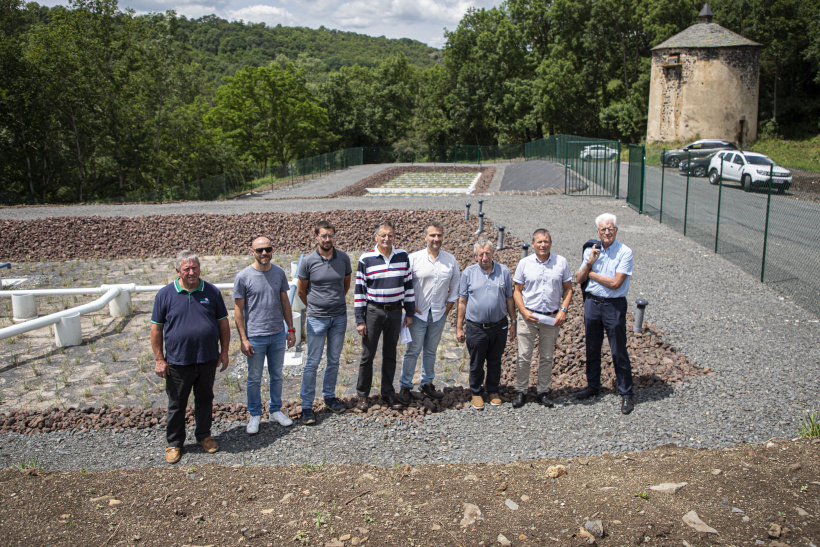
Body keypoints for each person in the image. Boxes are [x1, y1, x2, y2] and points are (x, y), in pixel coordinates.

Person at [150, 250, 230, 464]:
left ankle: (204, 435)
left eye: (195, 268)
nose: (191, 272)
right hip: (178, 361)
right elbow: (156, 329)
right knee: (177, 403)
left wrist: (224, 352)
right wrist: (159, 359)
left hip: (207, 359)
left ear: (200, 268)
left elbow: (223, 322)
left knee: (205, 399)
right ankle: (175, 443)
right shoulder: (165, 294)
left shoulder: (211, 292)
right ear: (178, 271)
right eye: (187, 268)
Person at [234, 236, 296, 435]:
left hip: (277, 334)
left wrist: (291, 329)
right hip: (255, 337)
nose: (264, 253)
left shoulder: (278, 272)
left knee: (276, 375)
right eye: (259, 250)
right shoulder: (243, 277)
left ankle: (275, 410)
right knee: (254, 377)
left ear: (272, 250)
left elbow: (285, 302)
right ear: (252, 252)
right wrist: (243, 338)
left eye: (267, 249)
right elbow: (238, 310)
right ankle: (254, 414)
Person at [575, 213, 635, 415]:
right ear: (597, 232)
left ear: (616, 230)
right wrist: (590, 262)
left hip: (613, 305)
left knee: (618, 349)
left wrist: (591, 274)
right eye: (603, 229)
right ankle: (593, 386)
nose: (607, 232)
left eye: (610, 228)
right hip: (593, 303)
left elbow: (616, 283)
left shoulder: (625, 252)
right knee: (592, 346)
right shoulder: (591, 250)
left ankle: (626, 393)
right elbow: (578, 278)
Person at [354, 221, 414, 410]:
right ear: (376, 237)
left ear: (394, 237)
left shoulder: (403, 256)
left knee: (390, 354)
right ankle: (363, 395)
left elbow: (409, 286)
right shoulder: (366, 259)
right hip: (374, 311)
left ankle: (387, 393)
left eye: (390, 235)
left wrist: (409, 312)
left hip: (395, 311)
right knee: (368, 354)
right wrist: (360, 319)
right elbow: (359, 291)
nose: (386, 238)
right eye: (383, 235)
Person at [296, 220, 352, 425]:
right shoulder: (308, 261)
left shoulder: (343, 258)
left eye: (330, 235)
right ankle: (306, 406)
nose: (327, 239)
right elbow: (302, 291)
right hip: (317, 319)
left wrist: (334, 303)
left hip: (339, 317)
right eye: (323, 236)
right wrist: (315, 307)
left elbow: (345, 285)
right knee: (312, 362)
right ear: (316, 237)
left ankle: (329, 396)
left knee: (334, 360)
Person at [398, 221, 461, 403]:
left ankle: (427, 383)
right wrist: (409, 307)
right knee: (413, 350)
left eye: (439, 235)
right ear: (425, 236)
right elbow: (402, 284)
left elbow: (455, 285)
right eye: (432, 235)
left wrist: (447, 309)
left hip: (438, 314)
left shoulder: (450, 260)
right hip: (418, 315)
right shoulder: (414, 259)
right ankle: (405, 386)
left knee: (431, 351)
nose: (436, 239)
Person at [512, 228, 573, 409]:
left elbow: (568, 289)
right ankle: (521, 390)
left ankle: (543, 391)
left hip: (551, 318)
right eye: (539, 242)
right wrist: (523, 311)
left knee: (546, 356)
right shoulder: (525, 263)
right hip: (528, 316)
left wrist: (563, 310)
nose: (543, 245)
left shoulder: (561, 262)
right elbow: (517, 291)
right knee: (523, 356)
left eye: (546, 241)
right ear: (533, 244)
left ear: (551, 243)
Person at [456, 238, 516, 410]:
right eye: (481, 254)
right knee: (476, 362)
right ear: (476, 256)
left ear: (493, 253)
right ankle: (476, 392)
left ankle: (493, 390)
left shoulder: (503, 271)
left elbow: (509, 298)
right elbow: (462, 301)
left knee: (495, 361)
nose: (485, 257)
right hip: (476, 327)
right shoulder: (468, 273)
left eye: (488, 253)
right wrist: (459, 327)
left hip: (499, 325)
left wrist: (513, 322)